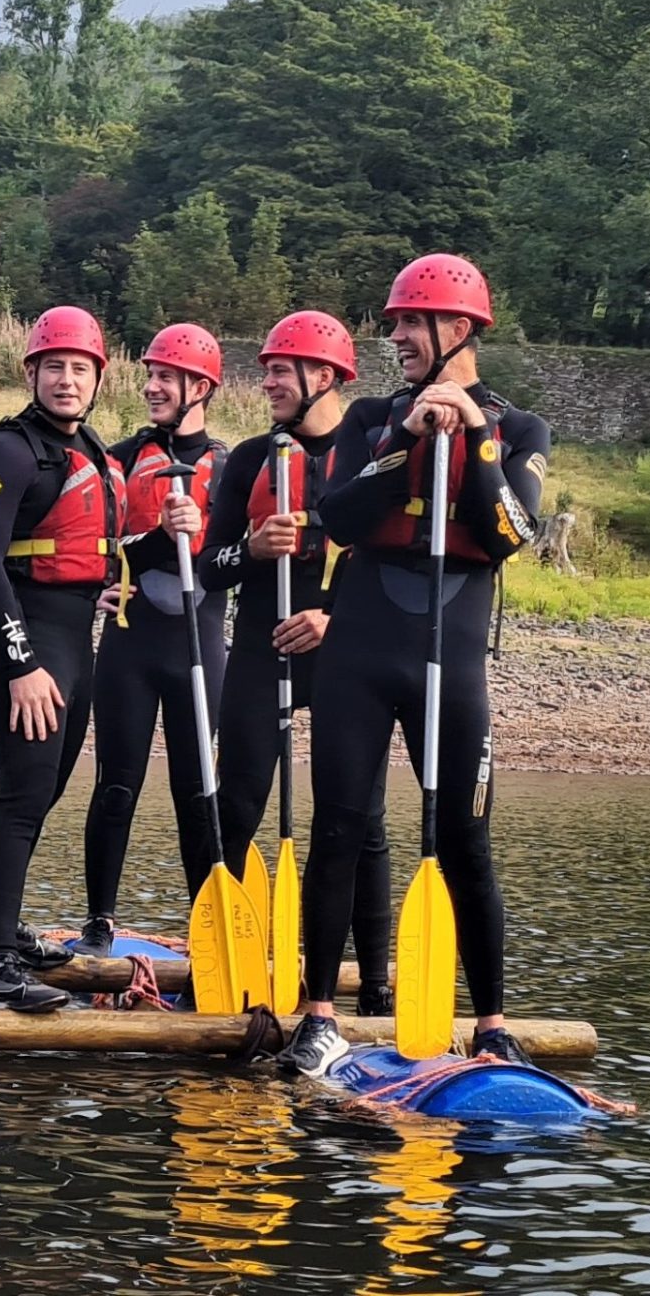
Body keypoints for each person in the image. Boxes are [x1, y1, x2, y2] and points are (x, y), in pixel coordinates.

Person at [285, 254, 548, 1074]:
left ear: (458, 330)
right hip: (360, 651)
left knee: (468, 842)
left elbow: (510, 533)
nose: (393, 335)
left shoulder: (521, 429)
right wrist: (404, 436)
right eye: (394, 321)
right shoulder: (370, 416)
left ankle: (493, 1023)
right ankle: (319, 1015)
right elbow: (342, 514)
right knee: (338, 829)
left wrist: (472, 437)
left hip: (453, 655)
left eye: (408, 321)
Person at [201, 310, 394, 1017]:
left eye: (281, 370)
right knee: (237, 804)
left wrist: (335, 617)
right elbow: (210, 567)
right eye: (268, 370)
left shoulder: (372, 450)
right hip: (261, 645)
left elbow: (389, 558)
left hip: (349, 653)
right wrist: (251, 550)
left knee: (359, 822)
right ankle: (218, 958)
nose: (268, 382)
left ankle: (373, 984)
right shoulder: (251, 458)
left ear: (327, 377)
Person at [0, 306, 124, 1012]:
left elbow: (84, 542)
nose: (66, 379)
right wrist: (21, 662)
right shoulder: (8, 452)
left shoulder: (90, 448)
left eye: (79, 369)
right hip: (30, 645)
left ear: (96, 380)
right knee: (22, 798)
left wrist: (106, 584)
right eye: (53, 367)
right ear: (31, 373)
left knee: (47, 791)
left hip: (74, 639)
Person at [76, 323, 228, 954]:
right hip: (130, 647)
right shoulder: (118, 459)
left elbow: (236, 558)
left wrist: (203, 536)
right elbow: (92, 547)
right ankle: (100, 920)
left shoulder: (230, 465)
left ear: (200, 388)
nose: (152, 387)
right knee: (116, 787)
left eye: (166, 377)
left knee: (199, 791)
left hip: (200, 647)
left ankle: (210, 926)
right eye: (151, 375)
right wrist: (106, 581)